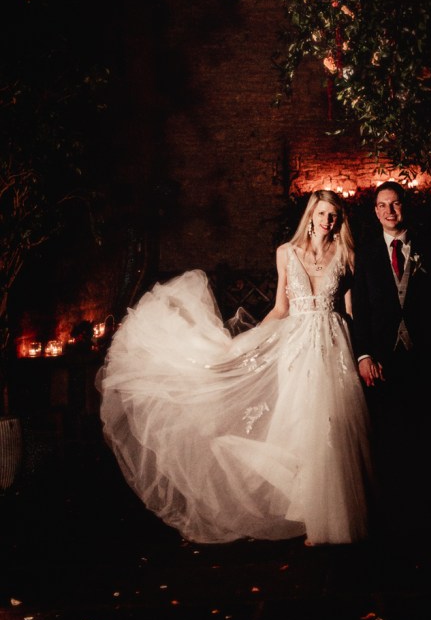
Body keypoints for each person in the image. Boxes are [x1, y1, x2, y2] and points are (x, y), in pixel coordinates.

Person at [96, 190, 374, 547]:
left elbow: (352, 311)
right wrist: (250, 341)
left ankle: (337, 517)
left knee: (335, 424)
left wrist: (363, 351)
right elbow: (280, 307)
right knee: (302, 425)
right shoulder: (286, 254)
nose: (327, 220)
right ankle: (310, 514)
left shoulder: (347, 255)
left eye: (334, 215)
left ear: (340, 221)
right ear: (311, 215)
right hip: (297, 348)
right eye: (322, 213)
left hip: (334, 344)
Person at [351, 181, 431, 530]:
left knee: (428, 429)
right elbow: (361, 310)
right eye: (382, 206)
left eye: (395, 204)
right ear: (375, 211)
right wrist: (364, 354)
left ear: (404, 206)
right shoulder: (366, 253)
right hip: (383, 355)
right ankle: (394, 511)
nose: (389, 211)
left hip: (425, 351)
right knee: (388, 433)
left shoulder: (429, 247)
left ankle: (430, 507)